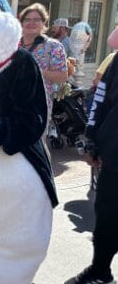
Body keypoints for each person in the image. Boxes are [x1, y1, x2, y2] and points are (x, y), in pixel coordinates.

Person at [67, 25, 118, 284]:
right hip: (115, 156)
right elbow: (100, 100)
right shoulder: (117, 59)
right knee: (108, 214)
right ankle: (100, 270)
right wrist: (91, 141)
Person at [18, 3, 70, 121]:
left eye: (37, 19)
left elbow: (62, 76)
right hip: (11, 107)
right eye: (27, 19)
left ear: (44, 23)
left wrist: (35, 71)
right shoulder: (13, 44)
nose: (32, 23)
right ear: (21, 22)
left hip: (37, 110)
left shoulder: (53, 46)